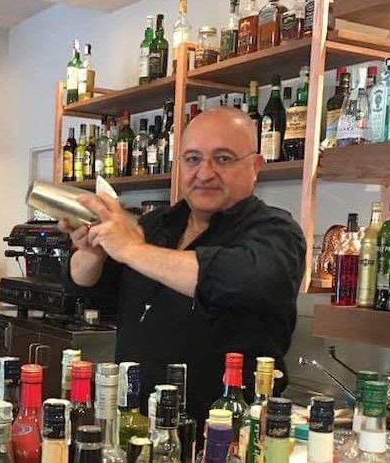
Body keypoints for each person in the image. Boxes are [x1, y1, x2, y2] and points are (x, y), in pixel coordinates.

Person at [59, 106, 305, 434]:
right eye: (192, 159)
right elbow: (84, 290)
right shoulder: (154, 225)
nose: (205, 173)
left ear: (255, 166)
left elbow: (242, 281)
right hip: (135, 426)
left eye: (223, 158)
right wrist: (93, 253)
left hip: (228, 436)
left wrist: (132, 250)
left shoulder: (277, 232)